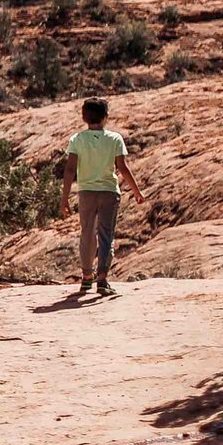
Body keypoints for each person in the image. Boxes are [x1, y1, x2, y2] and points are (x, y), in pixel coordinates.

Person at [59, 97, 144, 297]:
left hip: (86, 192)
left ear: (83, 117)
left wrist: (64, 199)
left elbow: (70, 170)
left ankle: (87, 277)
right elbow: (122, 168)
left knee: (87, 233)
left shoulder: (77, 140)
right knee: (106, 235)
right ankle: (103, 279)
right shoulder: (114, 139)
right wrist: (137, 191)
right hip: (108, 192)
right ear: (106, 117)